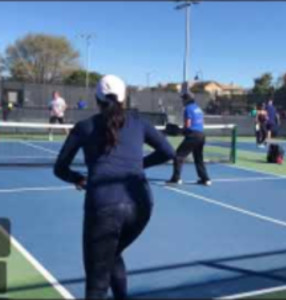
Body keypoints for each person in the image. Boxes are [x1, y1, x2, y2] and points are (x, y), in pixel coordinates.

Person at [53, 74, 175, 299]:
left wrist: (78, 179)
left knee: (96, 284)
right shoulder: (140, 123)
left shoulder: (84, 127)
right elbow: (168, 152)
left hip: (103, 207)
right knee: (113, 254)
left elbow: (60, 168)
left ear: (96, 98)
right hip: (142, 206)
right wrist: (139, 165)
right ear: (124, 98)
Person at [167, 90, 211, 185]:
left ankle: (176, 178)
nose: (182, 101)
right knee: (198, 158)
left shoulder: (187, 109)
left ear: (187, 100)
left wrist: (180, 131)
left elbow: (188, 125)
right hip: (201, 135)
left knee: (178, 156)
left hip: (193, 135)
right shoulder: (198, 109)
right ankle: (205, 179)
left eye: (183, 99)